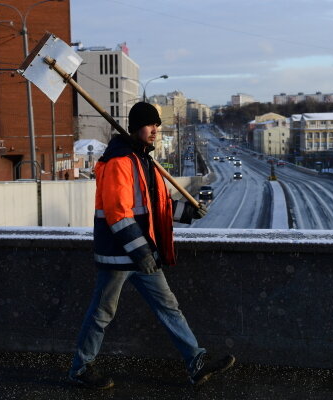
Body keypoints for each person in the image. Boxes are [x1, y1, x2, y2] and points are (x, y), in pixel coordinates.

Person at [68, 102, 235, 389]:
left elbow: (159, 206)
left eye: (157, 125)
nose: (155, 130)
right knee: (102, 313)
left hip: (143, 254)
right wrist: (141, 251)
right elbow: (117, 214)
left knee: (169, 307)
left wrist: (189, 212)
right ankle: (81, 368)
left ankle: (196, 362)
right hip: (120, 256)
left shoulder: (145, 161)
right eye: (149, 125)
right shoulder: (118, 161)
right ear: (135, 127)